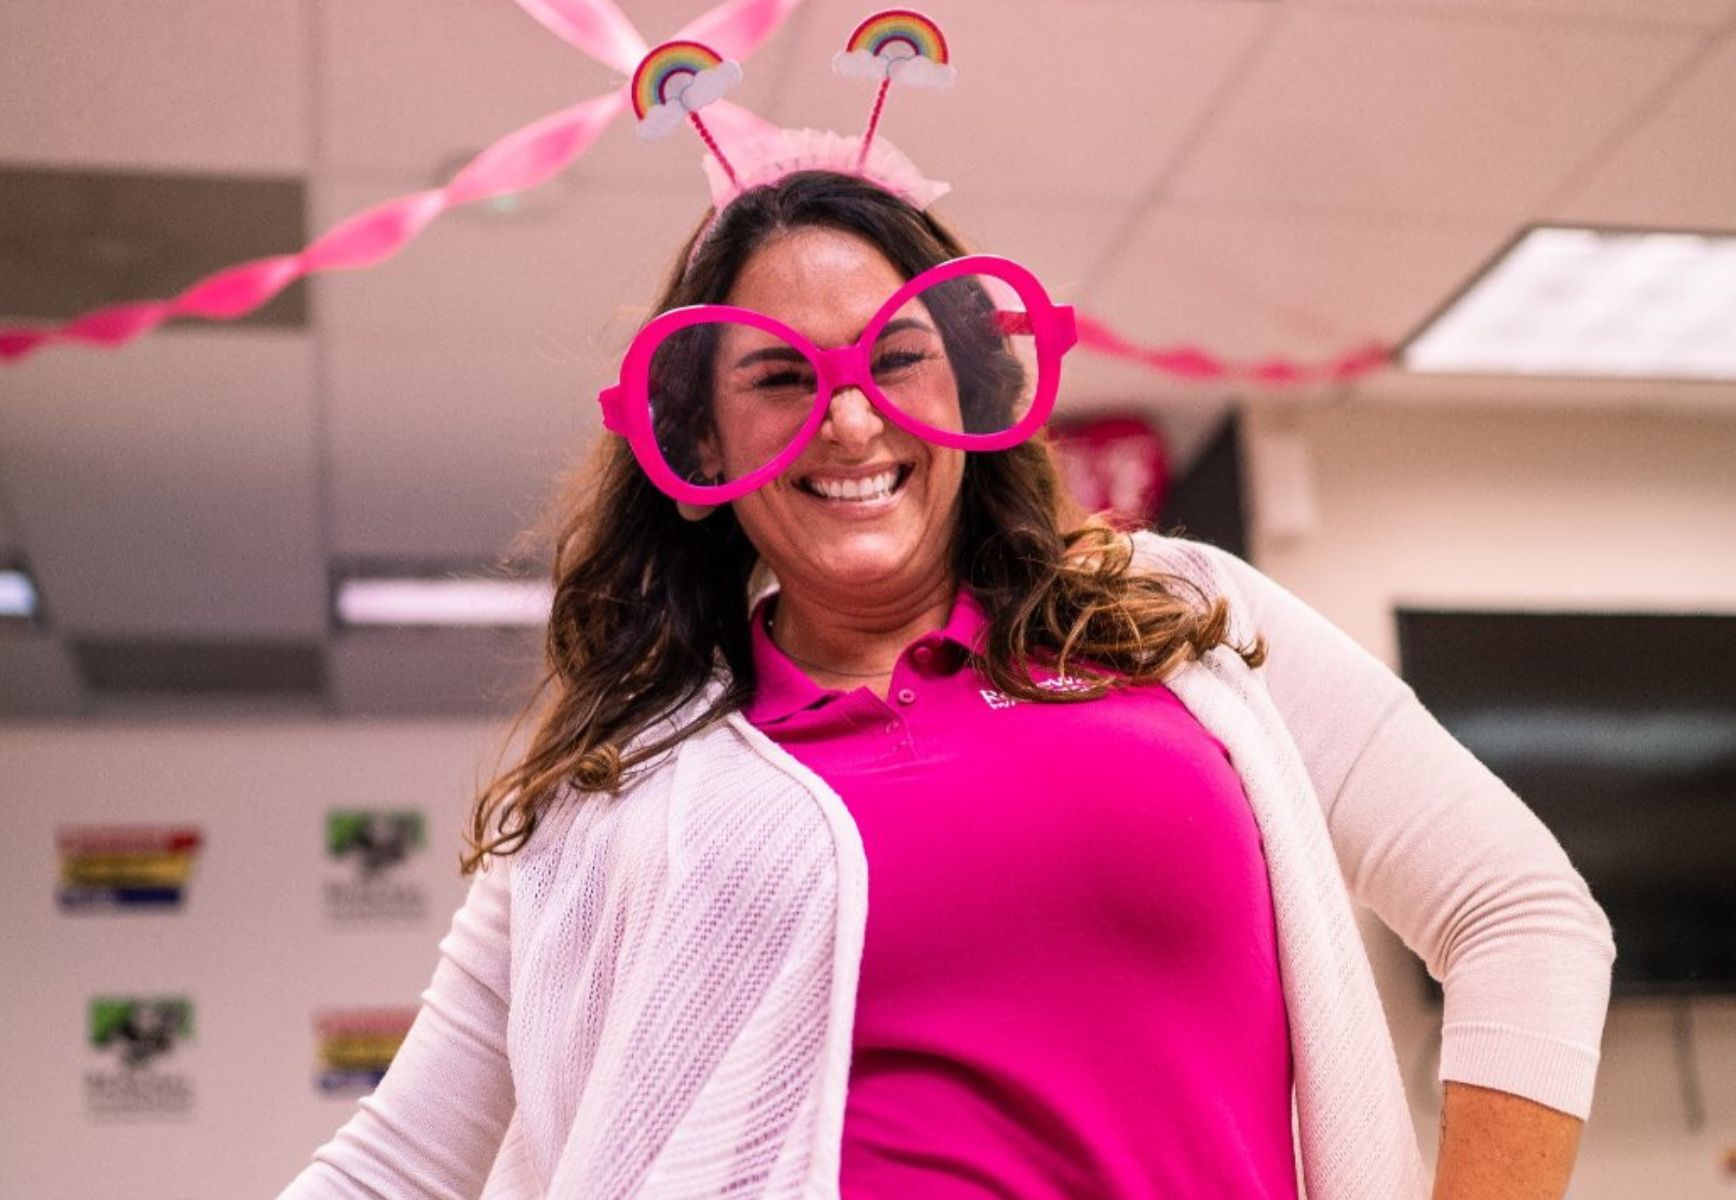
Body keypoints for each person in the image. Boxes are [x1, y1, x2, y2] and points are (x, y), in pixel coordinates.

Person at [281, 30, 1614, 1200]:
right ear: (698, 438)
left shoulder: (1187, 618)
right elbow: (398, 1166)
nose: (851, 419)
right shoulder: (614, 791)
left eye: (897, 357)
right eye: (780, 378)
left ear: (970, 389)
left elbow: (1522, 911)